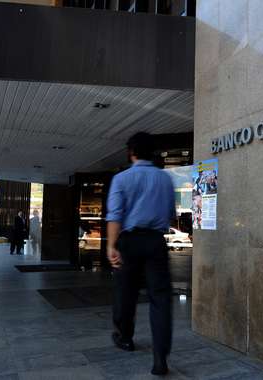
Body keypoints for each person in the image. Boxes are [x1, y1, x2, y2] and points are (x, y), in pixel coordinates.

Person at [106, 132, 175, 376]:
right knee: (161, 298)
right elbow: (169, 214)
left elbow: (115, 215)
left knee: (125, 293)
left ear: (131, 152)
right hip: (156, 241)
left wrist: (111, 246)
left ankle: (125, 338)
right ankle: (160, 358)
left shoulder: (122, 179)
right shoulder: (165, 179)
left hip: (129, 241)